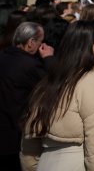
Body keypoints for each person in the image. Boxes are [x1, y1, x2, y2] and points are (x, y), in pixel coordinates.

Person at [20, 20, 94, 171]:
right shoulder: (91, 82)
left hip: (45, 163)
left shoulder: (47, 82)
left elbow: (29, 142)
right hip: (76, 163)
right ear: (92, 45)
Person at [0, 22, 54, 171]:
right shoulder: (30, 66)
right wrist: (49, 59)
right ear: (31, 42)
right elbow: (52, 87)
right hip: (13, 136)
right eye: (40, 42)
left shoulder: (3, 56)